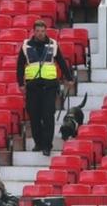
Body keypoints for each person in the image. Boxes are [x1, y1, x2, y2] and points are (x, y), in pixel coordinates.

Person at [16, 20, 74, 156]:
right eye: (38, 31)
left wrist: (69, 78)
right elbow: (20, 66)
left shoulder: (53, 44)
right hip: (32, 86)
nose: (40, 34)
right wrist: (20, 83)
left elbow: (61, 61)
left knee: (48, 116)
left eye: (42, 31)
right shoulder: (26, 46)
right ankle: (39, 142)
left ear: (45, 31)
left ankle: (47, 145)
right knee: (34, 116)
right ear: (34, 31)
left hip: (49, 86)